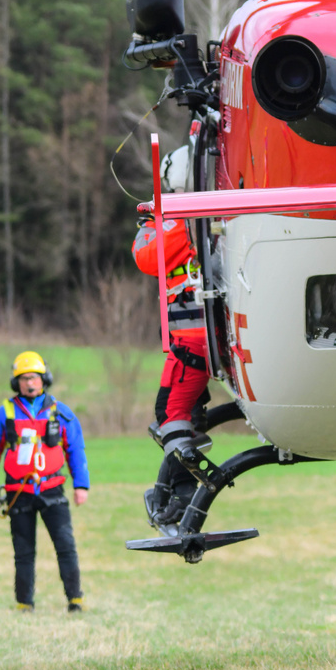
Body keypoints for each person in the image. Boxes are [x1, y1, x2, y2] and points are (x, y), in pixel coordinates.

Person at [132, 145, 211, 527]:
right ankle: (176, 491)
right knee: (183, 416)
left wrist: (151, 222)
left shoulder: (183, 218)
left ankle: (189, 493)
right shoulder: (210, 210)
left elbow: (146, 257)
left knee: (170, 415)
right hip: (205, 339)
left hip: (192, 339)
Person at [0, 351, 90, 612]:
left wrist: (81, 485)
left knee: (66, 546)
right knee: (24, 553)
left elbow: (75, 448)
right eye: (24, 378)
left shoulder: (60, 412)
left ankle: (75, 600)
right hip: (19, 493)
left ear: (44, 379)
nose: (30, 383)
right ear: (16, 383)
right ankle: (24, 604)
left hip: (53, 490)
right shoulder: (4, 413)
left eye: (34, 378)